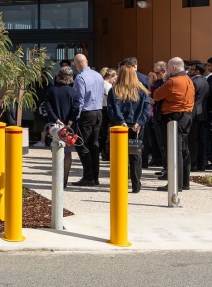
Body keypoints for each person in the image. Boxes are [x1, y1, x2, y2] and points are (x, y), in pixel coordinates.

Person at [106, 63, 152, 193]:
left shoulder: (115, 90)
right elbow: (147, 110)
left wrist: (121, 121)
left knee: (119, 156)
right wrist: (139, 123)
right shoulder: (142, 91)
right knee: (135, 156)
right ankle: (136, 185)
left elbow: (113, 108)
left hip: (120, 127)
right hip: (136, 127)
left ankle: (120, 184)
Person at [152, 57, 195, 191]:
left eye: (168, 69)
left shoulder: (173, 81)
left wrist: (164, 81)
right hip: (186, 115)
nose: (167, 71)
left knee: (174, 150)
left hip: (173, 117)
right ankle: (184, 182)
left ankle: (175, 184)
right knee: (183, 149)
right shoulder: (189, 80)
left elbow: (157, 95)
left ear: (174, 68)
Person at [71, 53, 106, 187]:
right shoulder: (97, 75)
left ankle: (88, 176)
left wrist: (75, 117)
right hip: (98, 112)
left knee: (81, 144)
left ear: (77, 64)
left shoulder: (80, 77)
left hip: (86, 113)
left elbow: (79, 99)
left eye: (74, 64)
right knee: (94, 145)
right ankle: (95, 177)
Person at [45, 66, 83, 187]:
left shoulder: (51, 90)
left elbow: (48, 107)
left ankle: (57, 178)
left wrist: (56, 119)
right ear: (71, 78)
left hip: (55, 125)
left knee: (56, 151)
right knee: (67, 153)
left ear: (59, 76)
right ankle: (65, 179)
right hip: (69, 127)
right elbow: (76, 108)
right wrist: (69, 123)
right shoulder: (73, 92)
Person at [187, 61, 209, 171]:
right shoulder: (205, 81)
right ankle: (201, 163)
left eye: (191, 69)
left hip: (193, 113)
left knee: (192, 139)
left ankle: (194, 163)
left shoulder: (193, 82)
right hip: (202, 113)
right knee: (201, 139)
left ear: (197, 71)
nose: (189, 71)